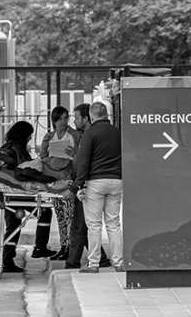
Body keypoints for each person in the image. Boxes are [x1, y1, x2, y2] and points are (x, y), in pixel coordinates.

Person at [71, 102, 124, 273]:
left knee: (94, 225)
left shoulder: (89, 134)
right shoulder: (118, 133)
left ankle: (93, 264)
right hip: (116, 181)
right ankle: (119, 262)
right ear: (107, 115)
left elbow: (83, 161)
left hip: (95, 182)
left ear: (92, 116)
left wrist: (79, 183)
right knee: (113, 223)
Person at [63, 104, 111, 269]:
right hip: (86, 183)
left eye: (76, 117)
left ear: (86, 118)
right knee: (84, 226)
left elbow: (85, 165)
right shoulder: (85, 136)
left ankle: (75, 262)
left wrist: (76, 186)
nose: (74, 121)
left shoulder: (89, 136)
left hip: (88, 185)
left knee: (82, 226)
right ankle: (101, 259)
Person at [38, 106, 80, 261]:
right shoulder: (49, 137)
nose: (63, 122)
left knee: (70, 215)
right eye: (59, 119)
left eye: (65, 118)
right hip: (53, 182)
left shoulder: (75, 135)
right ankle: (63, 246)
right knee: (60, 215)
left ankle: (69, 247)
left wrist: (72, 156)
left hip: (68, 179)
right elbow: (42, 156)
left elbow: (81, 157)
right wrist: (54, 160)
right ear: (53, 121)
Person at [0, 120, 35, 273]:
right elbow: (26, 168)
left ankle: (7, 258)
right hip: (17, 193)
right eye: (29, 135)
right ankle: (40, 247)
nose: (30, 139)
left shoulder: (6, 146)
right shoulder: (17, 148)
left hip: (9, 192)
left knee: (12, 226)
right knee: (44, 213)